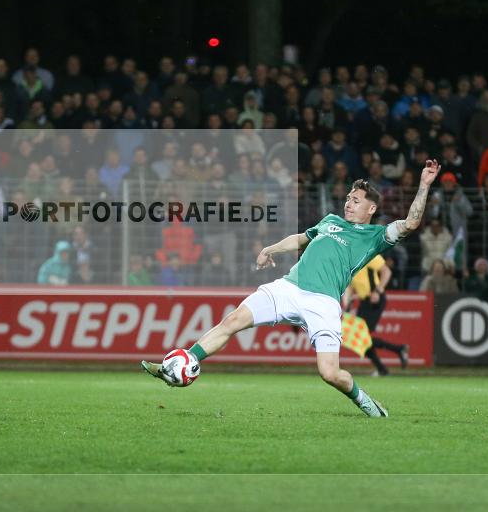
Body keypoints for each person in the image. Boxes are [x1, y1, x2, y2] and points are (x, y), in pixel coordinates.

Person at [143, 160, 442, 418]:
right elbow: (301, 239)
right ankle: (186, 361)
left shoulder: (376, 236)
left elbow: (411, 222)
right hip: (289, 287)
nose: (349, 202)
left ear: (371, 208)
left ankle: (364, 401)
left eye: (356, 200)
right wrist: (270, 249)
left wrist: (424, 185)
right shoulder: (330, 221)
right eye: (348, 198)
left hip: (323, 303)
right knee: (233, 320)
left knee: (330, 374)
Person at [343, 254, 409, 377]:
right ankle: (392, 356)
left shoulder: (368, 255)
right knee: (361, 339)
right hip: (364, 301)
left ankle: (395, 354)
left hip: (375, 300)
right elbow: (350, 286)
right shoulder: (350, 263)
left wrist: (378, 291)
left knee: (362, 338)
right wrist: (347, 304)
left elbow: (387, 272)